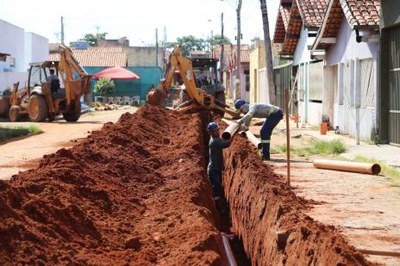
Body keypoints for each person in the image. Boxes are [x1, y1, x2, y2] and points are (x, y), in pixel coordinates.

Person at [207, 121, 231, 215]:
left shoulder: (215, 139)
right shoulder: (215, 141)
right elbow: (227, 144)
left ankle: (220, 206)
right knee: (217, 189)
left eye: (217, 130)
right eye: (215, 131)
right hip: (213, 170)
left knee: (218, 188)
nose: (217, 132)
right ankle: (219, 210)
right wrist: (234, 135)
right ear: (211, 133)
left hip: (216, 168)